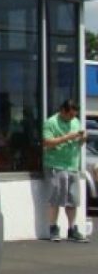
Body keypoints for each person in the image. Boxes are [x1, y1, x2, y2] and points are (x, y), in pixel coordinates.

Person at [42, 99, 90, 242]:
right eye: (70, 115)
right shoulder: (51, 122)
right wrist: (67, 137)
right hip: (56, 165)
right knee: (56, 198)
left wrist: (83, 138)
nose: (72, 118)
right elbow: (47, 143)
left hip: (73, 165)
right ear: (63, 110)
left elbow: (78, 143)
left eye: (74, 115)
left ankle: (72, 229)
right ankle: (53, 228)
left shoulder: (75, 122)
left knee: (73, 199)